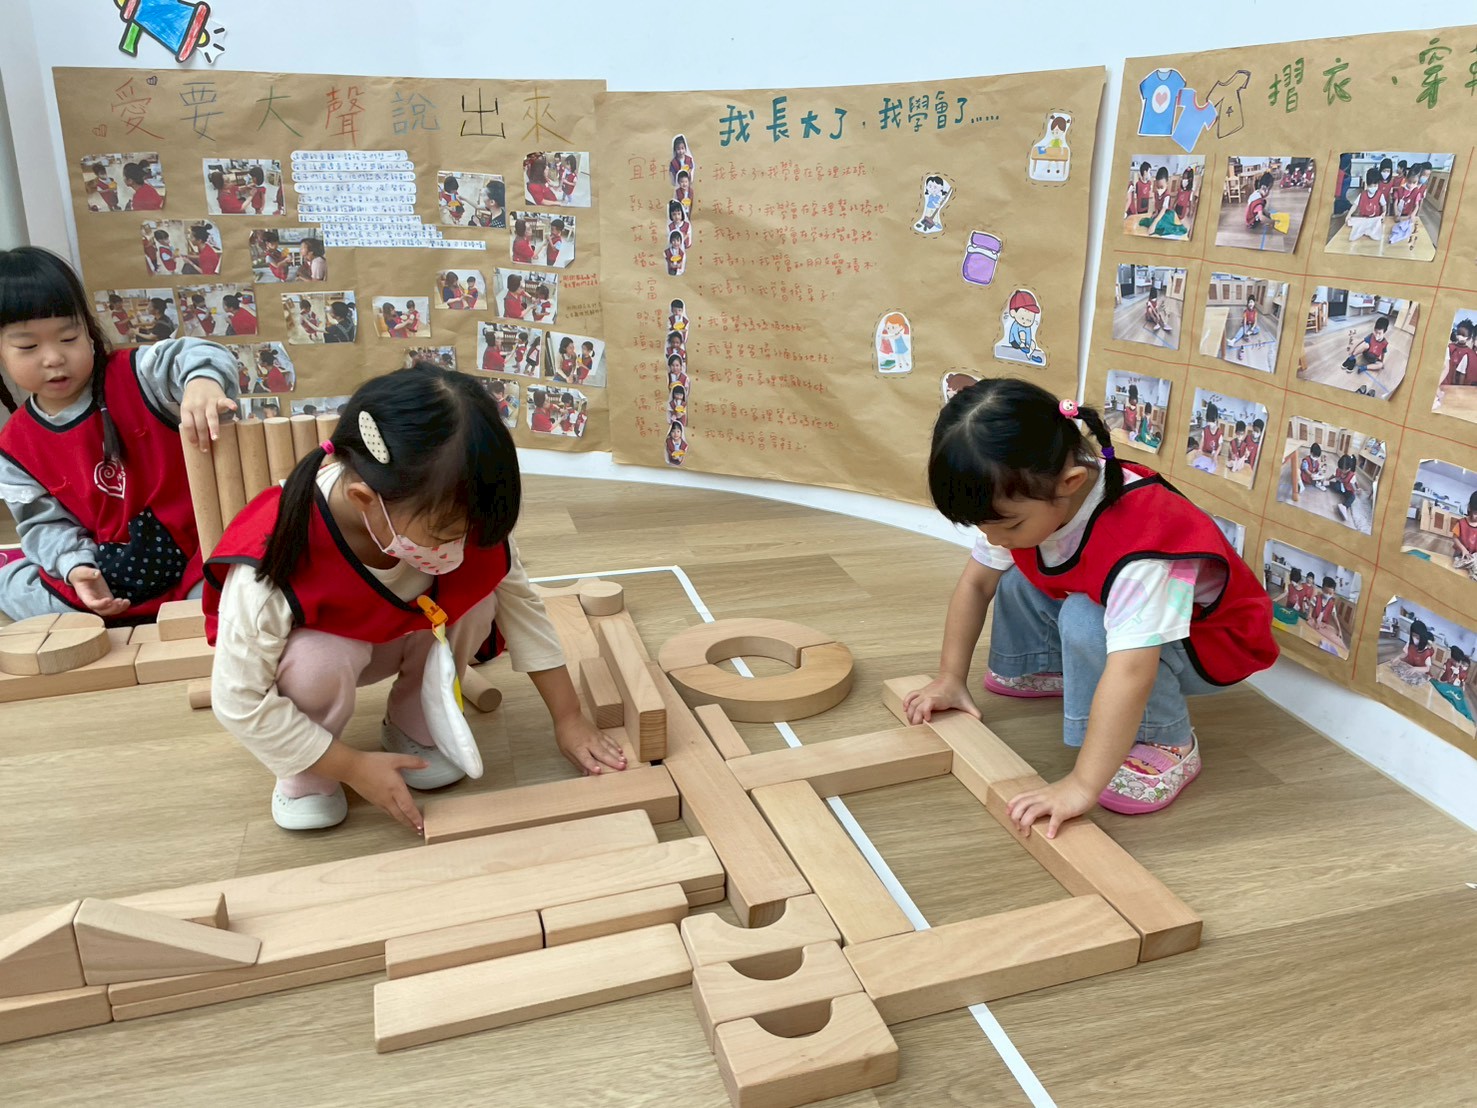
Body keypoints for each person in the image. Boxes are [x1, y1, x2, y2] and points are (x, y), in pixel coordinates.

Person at [203, 365, 627, 831]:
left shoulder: (455, 507)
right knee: (318, 660)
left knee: (481, 599)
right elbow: (238, 700)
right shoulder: (274, 557)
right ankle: (309, 769)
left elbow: (522, 607)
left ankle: (414, 721)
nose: (461, 547)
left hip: (402, 631)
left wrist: (569, 717)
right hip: (328, 656)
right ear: (365, 500)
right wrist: (352, 767)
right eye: (446, 534)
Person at [902, 379, 1277, 834]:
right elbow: (977, 584)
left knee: (1085, 620)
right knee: (1017, 571)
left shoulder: (1144, 548)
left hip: (1213, 645)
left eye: (1008, 525)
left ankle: (1168, 739)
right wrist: (949, 678)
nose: (994, 538)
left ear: (1071, 483)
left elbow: (1132, 670)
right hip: (1139, 617)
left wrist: (1081, 785)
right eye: (984, 527)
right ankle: (1047, 665)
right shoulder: (1036, 493)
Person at [0, 246, 238, 622]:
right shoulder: (14, 445)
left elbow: (190, 352)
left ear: (88, 331)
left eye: (68, 337)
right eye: (28, 346)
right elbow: (44, 524)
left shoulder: (137, 374)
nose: (54, 358)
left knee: (238, 588)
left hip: (198, 555)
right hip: (106, 572)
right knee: (13, 587)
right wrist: (76, 568)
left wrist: (203, 381)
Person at [1345, 168, 1387, 243]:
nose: (1373, 187)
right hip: (1363, 219)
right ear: (1367, 184)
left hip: (1374, 220)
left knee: (1374, 237)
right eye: (1371, 185)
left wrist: (1384, 214)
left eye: (1375, 185)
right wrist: (1349, 215)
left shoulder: (1380, 195)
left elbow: (1384, 205)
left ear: (1378, 184)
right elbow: (1355, 205)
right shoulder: (1362, 195)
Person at [1451, 492, 1477, 579]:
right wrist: (1463, 549)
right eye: (1476, 513)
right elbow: (1454, 537)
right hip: (1460, 553)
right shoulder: (1461, 523)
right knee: (1458, 572)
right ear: (1469, 508)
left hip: (1473, 555)